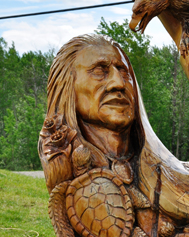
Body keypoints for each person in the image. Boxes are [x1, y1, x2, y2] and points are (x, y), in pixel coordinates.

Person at [39, 34, 144, 192]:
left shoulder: (157, 170)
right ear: (68, 88)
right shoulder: (63, 159)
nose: (119, 83)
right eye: (99, 71)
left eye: (123, 72)